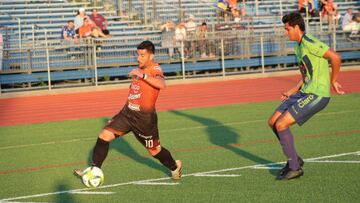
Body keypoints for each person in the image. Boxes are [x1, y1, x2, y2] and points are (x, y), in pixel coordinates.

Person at [74, 41, 182, 180]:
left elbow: (162, 84)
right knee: (103, 136)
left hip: (144, 120)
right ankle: (94, 171)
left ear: (151, 56)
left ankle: (174, 166)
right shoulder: (139, 69)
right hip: (127, 114)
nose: (138, 58)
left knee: (154, 151)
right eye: (138, 55)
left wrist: (143, 76)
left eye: (142, 55)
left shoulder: (155, 68)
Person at [268, 12, 344, 180]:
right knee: (273, 122)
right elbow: (306, 77)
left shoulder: (309, 42)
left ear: (296, 27)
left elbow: (335, 57)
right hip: (304, 91)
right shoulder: (298, 47)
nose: (285, 32)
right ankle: (294, 158)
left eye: (287, 29)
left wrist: (333, 80)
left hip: (317, 93)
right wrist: (291, 91)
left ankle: (294, 167)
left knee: (281, 125)